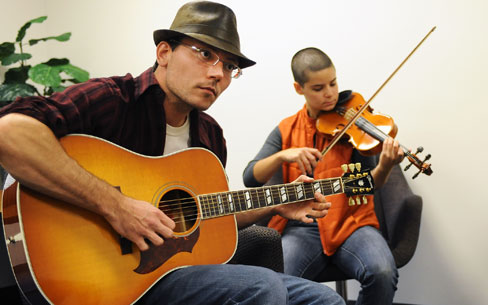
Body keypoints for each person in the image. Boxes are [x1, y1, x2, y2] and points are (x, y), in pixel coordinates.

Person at [0, 2, 344, 304]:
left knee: (323, 299)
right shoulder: (112, 100)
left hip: (172, 272)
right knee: (262, 286)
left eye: (228, 66)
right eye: (205, 54)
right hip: (102, 278)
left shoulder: (209, 136)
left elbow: (208, 212)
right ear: (164, 52)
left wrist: (273, 203)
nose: (216, 74)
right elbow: (10, 133)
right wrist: (116, 205)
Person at [242, 47, 405, 304]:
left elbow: (365, 185)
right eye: (318, 88)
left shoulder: (353, 126)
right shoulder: (286, 129)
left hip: (351, 222)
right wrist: (283, 155)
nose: (330, 93)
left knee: (383, 272)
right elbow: (250, 177)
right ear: (299, 88)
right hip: (303, 226)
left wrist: (384, 166)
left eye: (333, 83)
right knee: (274, 283)